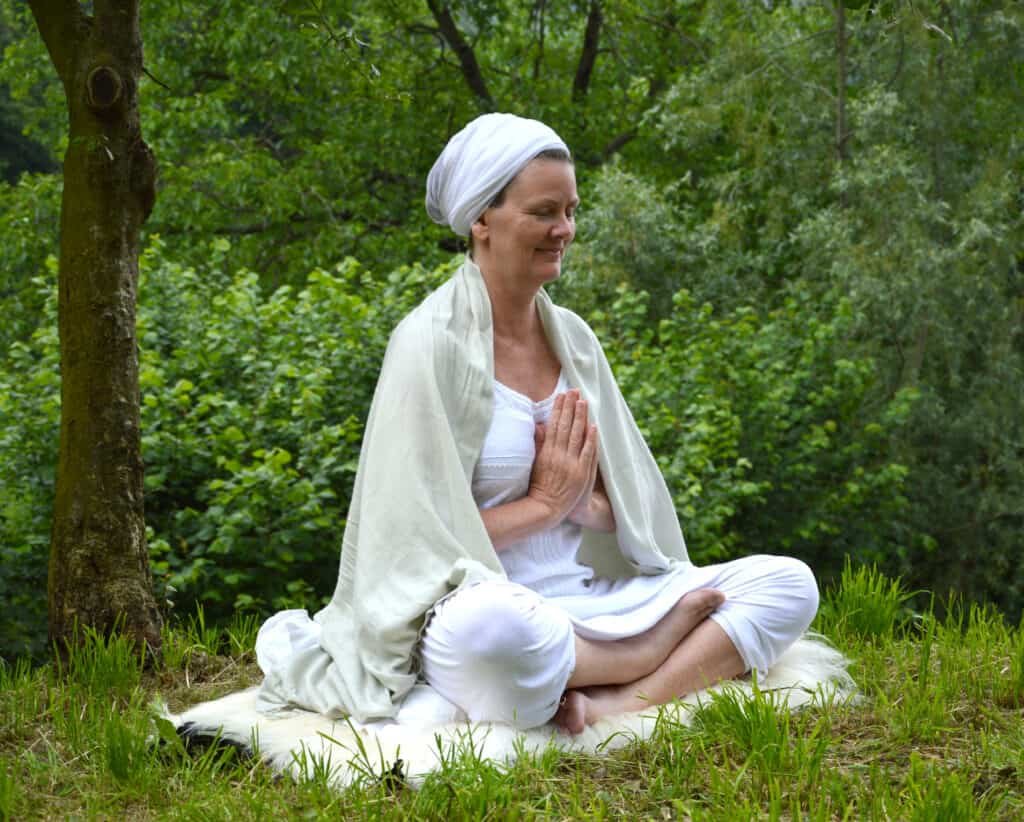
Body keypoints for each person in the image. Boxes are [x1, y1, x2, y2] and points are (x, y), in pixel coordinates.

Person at [254, 113, 819, 735]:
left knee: (788, 583)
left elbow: (626, 513)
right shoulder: (427, 343)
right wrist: (544, 506)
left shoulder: (574, 339)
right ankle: (648, 656)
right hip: (478, 609)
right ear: (482, 219)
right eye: (544, 212)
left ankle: (616, 703)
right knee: (494, 635)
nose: (564, 230)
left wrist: (580, 505)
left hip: (588, 599)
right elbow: (410, 546)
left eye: (571, 211)